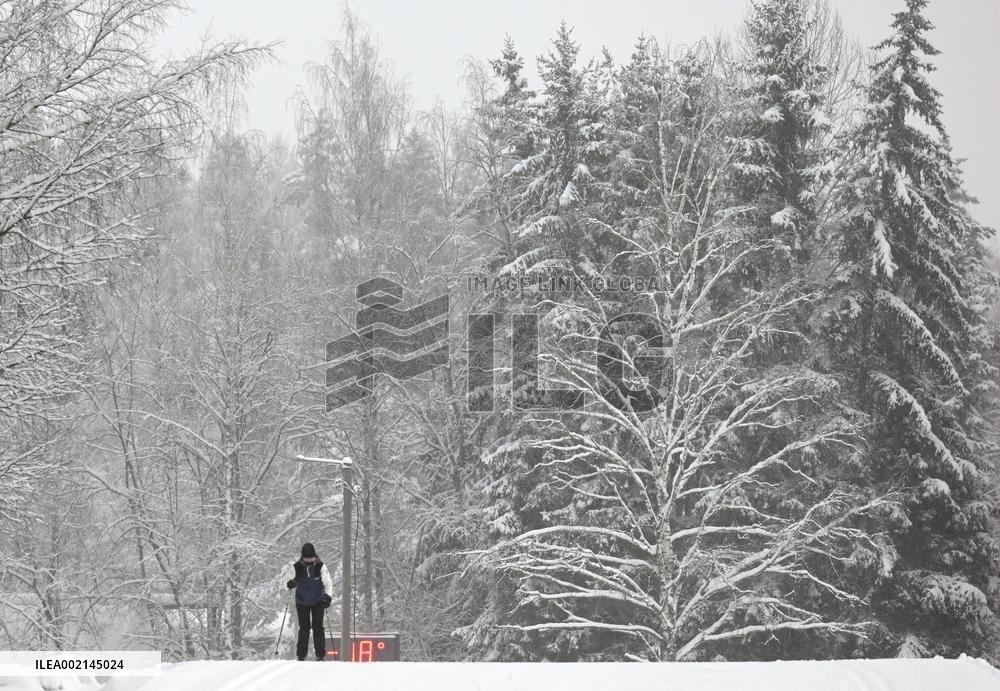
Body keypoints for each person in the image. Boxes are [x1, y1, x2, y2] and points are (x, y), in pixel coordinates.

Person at [286, 542, 333, 661]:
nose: (308, 560)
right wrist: (290, 583)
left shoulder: (321, 566)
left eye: (310, 558)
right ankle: (301, 655)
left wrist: (328, 597)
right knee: (304, 628)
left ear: (314, 556)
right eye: (306, 558)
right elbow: (289, 579)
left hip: (318, 601)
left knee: (318, 627)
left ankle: (320, 655)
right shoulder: (297, 567)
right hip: (302, 601)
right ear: (302, 557)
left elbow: (328, 583)